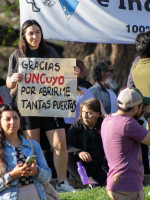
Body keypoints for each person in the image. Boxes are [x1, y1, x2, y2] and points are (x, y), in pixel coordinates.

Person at [6, 19, 77, 192]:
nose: (35, 36)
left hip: (52, 104)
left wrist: (71, 73)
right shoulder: (17, 55)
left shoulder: (50, 51)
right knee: (33, 147)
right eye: (30, 33)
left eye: (37, 32)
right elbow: (9, 84)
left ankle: (62, 182)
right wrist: (13, 80)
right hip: (28, 106)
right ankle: (40, 182)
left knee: (60, 144)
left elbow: (62, 77)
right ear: (24, 35)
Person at [101, 88, 150, 200]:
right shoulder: (127, 123)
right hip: (127, 185)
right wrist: (148, 116)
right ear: (136, 108)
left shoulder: (108, 120)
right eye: (143, 107)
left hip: (116, 182)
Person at [0, 104, 51, 200]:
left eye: (16, 118)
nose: (12, 122)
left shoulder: (33, 145)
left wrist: (36, 171)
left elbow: (47, 176)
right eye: (7, 119)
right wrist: (12, 175)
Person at [67, 98, 108, 186]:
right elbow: (69, 144)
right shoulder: (76, 126)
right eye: (83, 112)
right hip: (83, 165)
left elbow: (116, 129)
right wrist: (79, 152)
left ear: (97, 114)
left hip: (100, 164)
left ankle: (98, 183)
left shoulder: (104, 124)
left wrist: (105, 115)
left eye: (89, 113)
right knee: (67, 156)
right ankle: (88, 180)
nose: (85, 116)